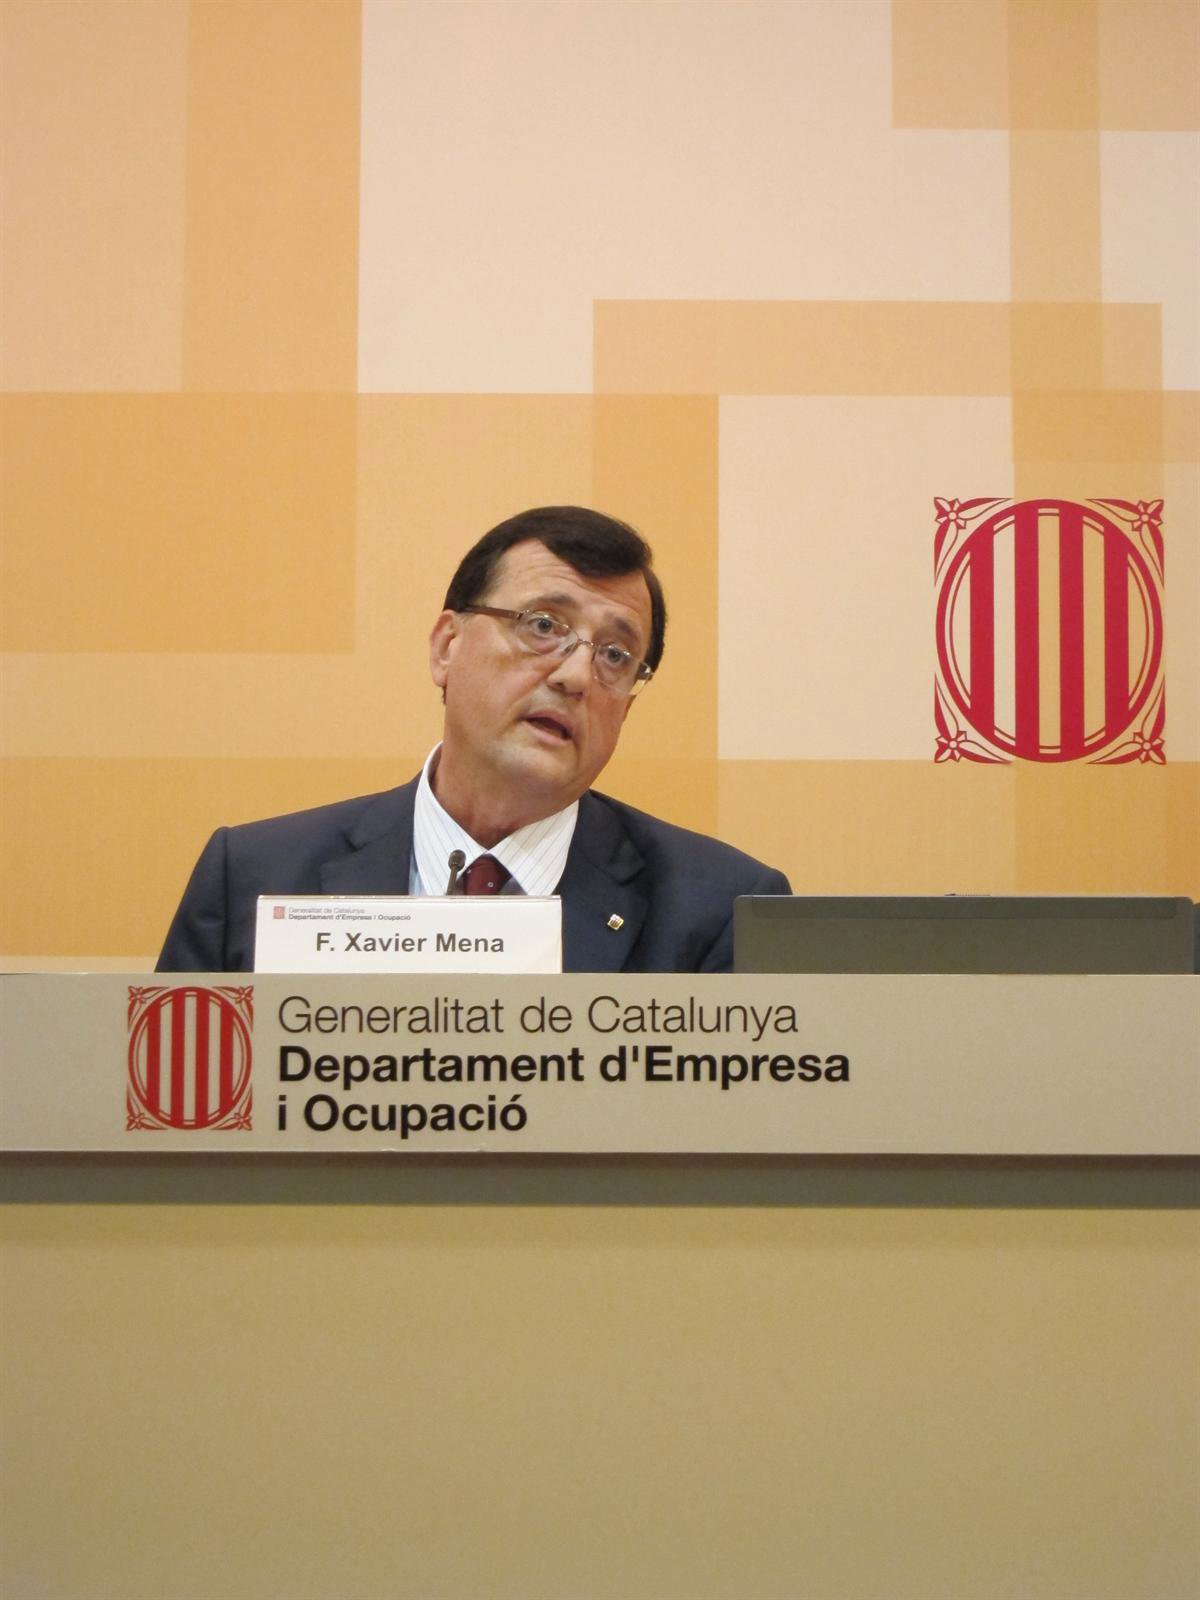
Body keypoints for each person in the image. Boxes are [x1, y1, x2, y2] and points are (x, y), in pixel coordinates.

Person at [157, 506, 791, 973]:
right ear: (447, 648)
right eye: (543, 626)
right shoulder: (254, 876)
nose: (575, 676)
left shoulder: (721, 911)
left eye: (616, 655)